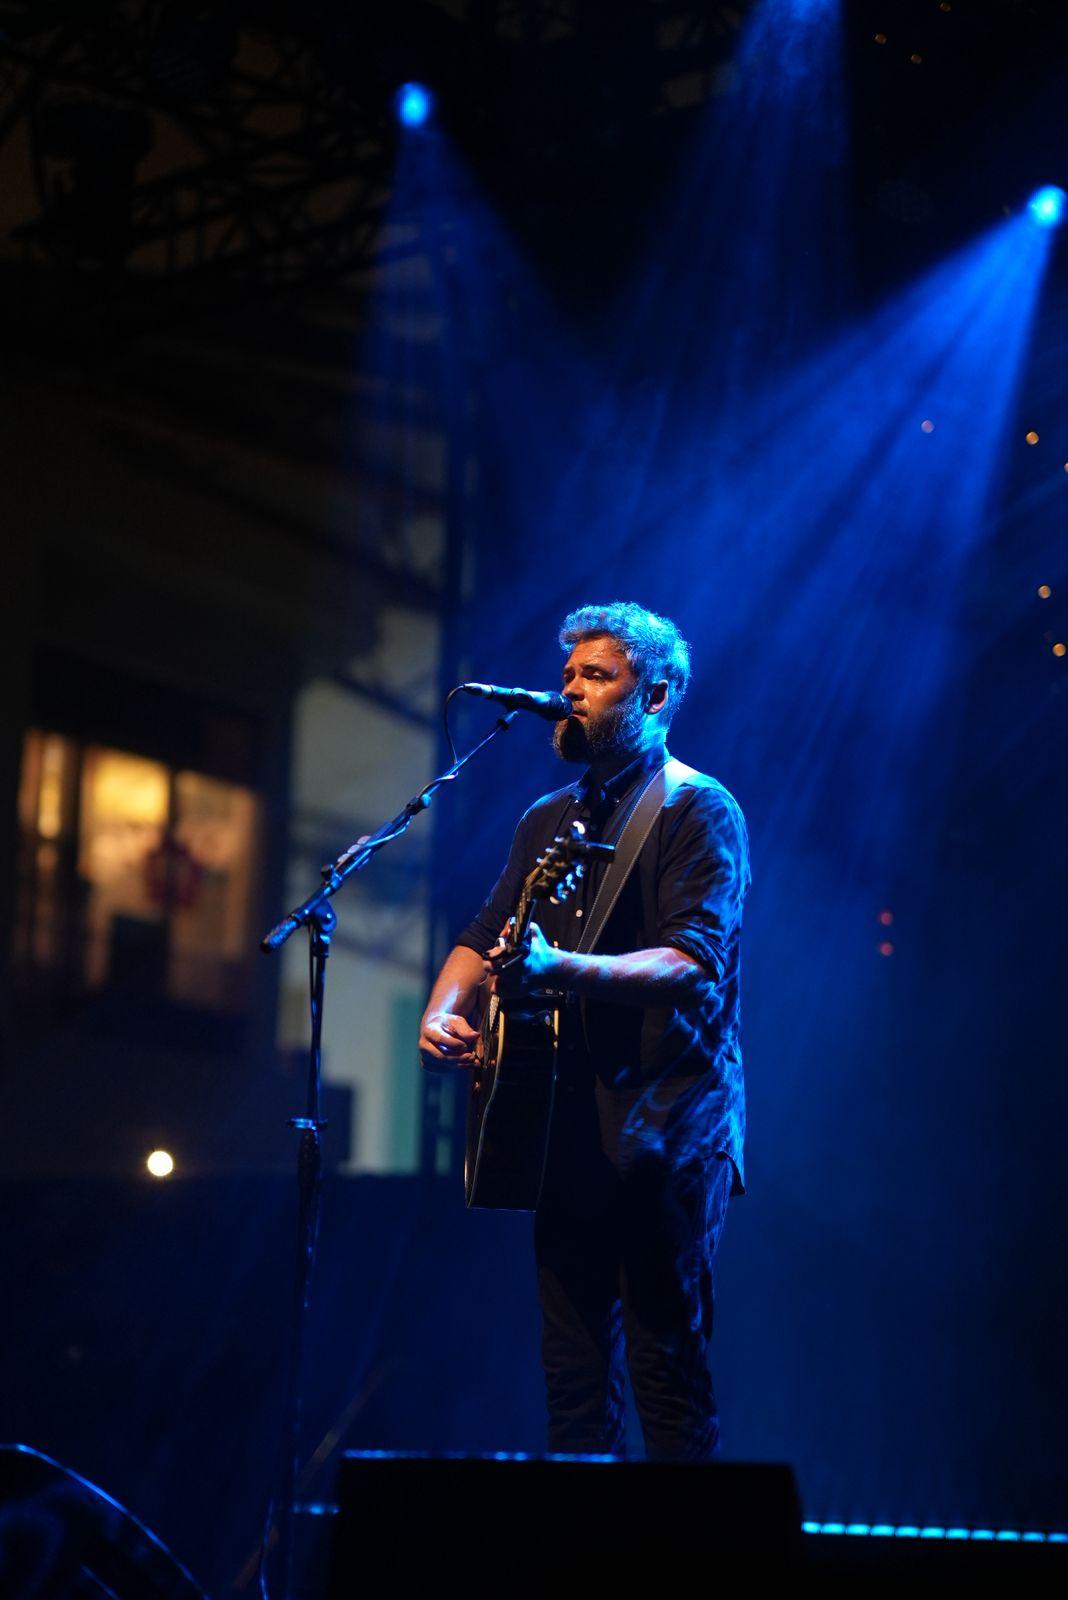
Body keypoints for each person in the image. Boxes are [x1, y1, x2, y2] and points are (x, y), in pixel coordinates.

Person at [418, 601, 750, 1461]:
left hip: (665, 1131)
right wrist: (443, 1008)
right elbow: (481, 932)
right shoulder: (547, 817)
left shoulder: (698, 809)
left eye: (597, 677)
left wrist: (557, 967)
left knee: (665, 1373)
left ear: (656, 695)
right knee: (572, 1385)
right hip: (562, 1128)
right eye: (568, 675)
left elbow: (693, 964)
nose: (569, 691)